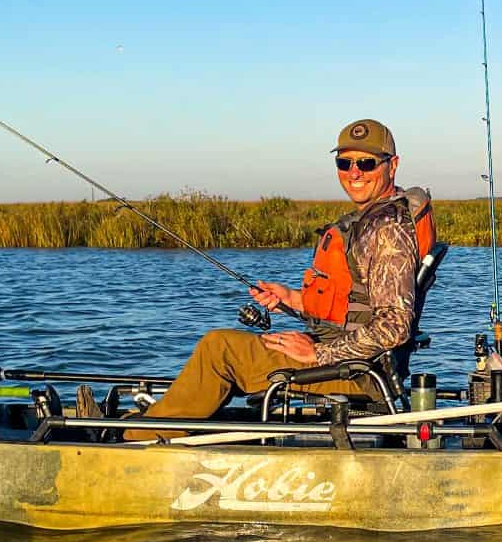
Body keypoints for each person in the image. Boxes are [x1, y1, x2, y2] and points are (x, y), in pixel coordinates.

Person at [122, 118, 434, 440]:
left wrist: (318, 354)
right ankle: (155, 423)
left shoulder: (387, 230)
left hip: (358, 372)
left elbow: (394, 326)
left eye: (366, 163)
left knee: (221, 350)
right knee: (222, 347)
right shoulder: (375, 218)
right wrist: (293, 298)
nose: (354, 172)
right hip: (350, 357)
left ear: (392, 166)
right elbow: (355, 304)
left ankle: (132, 439)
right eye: (345, 162)